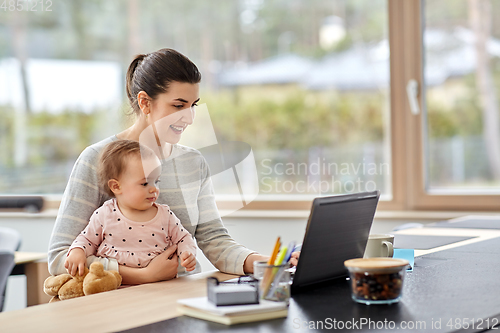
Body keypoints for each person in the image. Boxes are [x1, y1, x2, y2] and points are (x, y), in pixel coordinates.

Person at [48, 48, 299, 285]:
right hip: (120, 304)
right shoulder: (96, 158)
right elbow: (60, 257)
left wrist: (270, 263)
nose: (189, 118)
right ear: (145, 103)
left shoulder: (193, 163)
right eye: (178, 106)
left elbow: (214, 240)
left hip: (182, 297)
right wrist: (143, 275)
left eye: (193, 106)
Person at [64, 140, 197, 276]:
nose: (154, 189)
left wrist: (187, 252)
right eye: (145, 183)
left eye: (156, 181)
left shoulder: (165, 215)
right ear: (116, 186)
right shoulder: (105, 214)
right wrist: (77, 251)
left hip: (161, 287)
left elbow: (183, 238)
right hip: (115, 288)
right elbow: (87, 240)